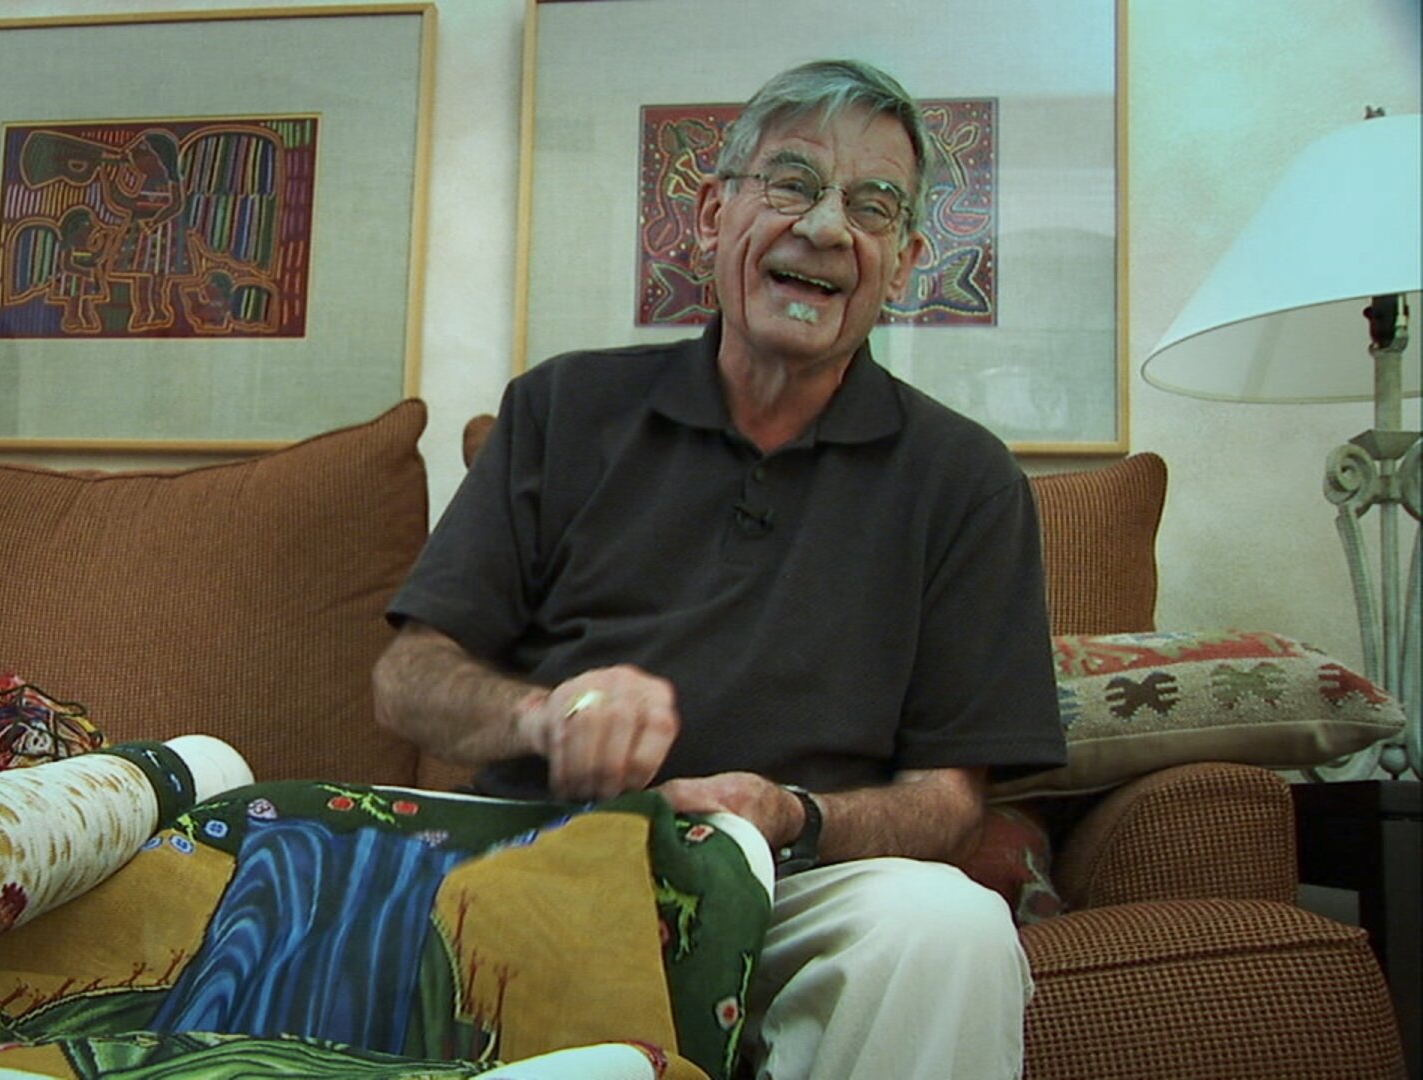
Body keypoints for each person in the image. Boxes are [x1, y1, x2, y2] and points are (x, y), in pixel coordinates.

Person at [373, 59, 1066, 1080]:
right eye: (791, 182)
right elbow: (406, 679)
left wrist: (793, 815)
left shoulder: (967, 480)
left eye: (872, 204)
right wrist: (543, 715)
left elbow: (949, 797)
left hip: (801, 881)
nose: (826, 227)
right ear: (711, 212)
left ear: (905, 259)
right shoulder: (561, 410)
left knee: (947, 928)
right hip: (550, 857)